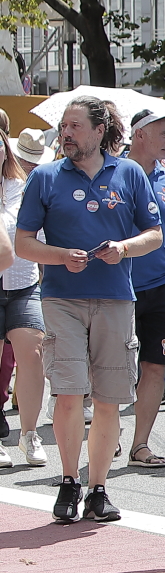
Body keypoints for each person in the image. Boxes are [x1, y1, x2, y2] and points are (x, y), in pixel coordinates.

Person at [15, 96, 162, 523]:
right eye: (64, 126)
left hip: (116, 298)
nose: (66, 133)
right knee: (68, 392)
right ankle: (67, 481)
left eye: (75, 126)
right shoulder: (45, 177)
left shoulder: (130, 172)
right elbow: (24, 242)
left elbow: (155, 233)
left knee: (109, 399)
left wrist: (124, 248)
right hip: (61, 298)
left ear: (100, 131)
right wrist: (60, 256)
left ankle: (99, 488)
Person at [122, 109, 165, 468]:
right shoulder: (112, 172)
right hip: (118, 287)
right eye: (163, 133)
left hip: (163, 285)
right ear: (139, 135)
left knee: (155, 366)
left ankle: (140, 446)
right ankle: (108, 432)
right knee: (114, 368)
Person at [0, 125, 46, 467]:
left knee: (32, 353)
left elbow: (38, 234)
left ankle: (29, 435)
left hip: (24, 284)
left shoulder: (23, 187)